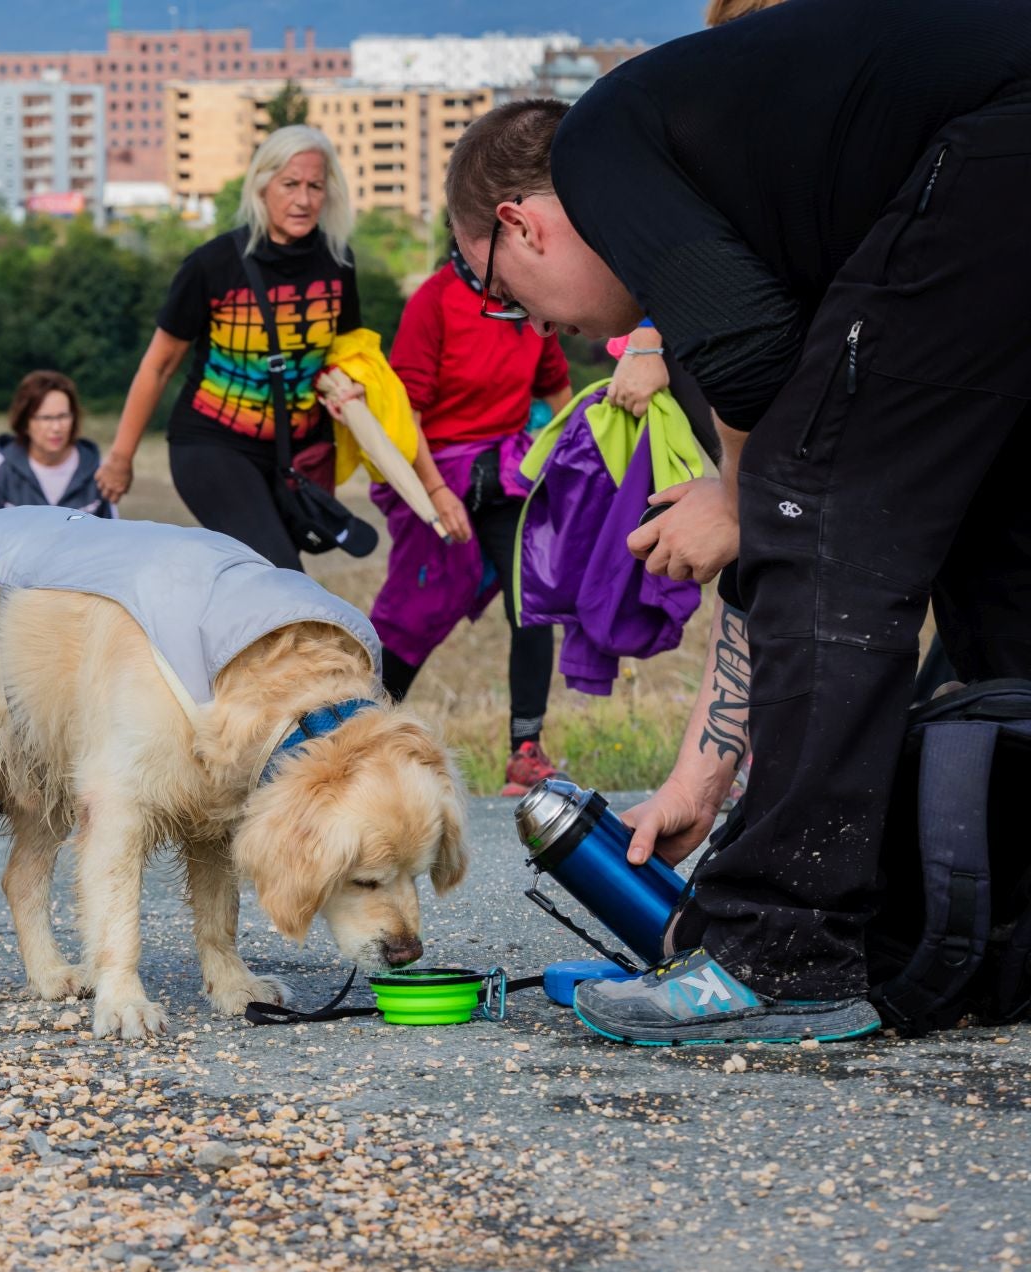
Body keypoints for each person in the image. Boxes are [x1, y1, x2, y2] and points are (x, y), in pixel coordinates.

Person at [442, 0, 1031, 1044]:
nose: (536, 327)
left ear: (523, 223)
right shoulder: (747, 198)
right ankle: (1008, 931)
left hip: (1001, 132)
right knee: (997, 560)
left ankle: (781, 953)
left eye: (497, 288)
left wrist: (745, 495)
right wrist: (702, 772)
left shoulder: (600, 149)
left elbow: (787, 459)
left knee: (823, 504)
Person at [98, 125, 363, 570]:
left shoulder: (338, 263)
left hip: (294, 457)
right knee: (280, 573)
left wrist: (351, 388)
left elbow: (346, 353)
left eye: (315, 186)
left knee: (255, 577)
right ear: (261, 185)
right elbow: (160, 366)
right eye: (290, 184)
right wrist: (121, 458)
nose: (303, 200)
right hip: (213, 444)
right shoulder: (213, 264)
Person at [372, 242, 574, 796]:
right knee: (413, 617)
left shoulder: (535, 302)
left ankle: (525, 751)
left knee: (532, 597)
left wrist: (579, 458)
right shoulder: (433, 303)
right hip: (433, 473)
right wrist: (437, 493)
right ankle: (358, 742)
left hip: (505, 474)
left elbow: (556, 387)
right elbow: (404, 415)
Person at [0, 371, 117, 519]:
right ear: (25, 422)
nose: (56, 428)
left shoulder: (96, 465)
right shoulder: (2, 466)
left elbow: (112, 533)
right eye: (46, 418)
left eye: (63, 416)